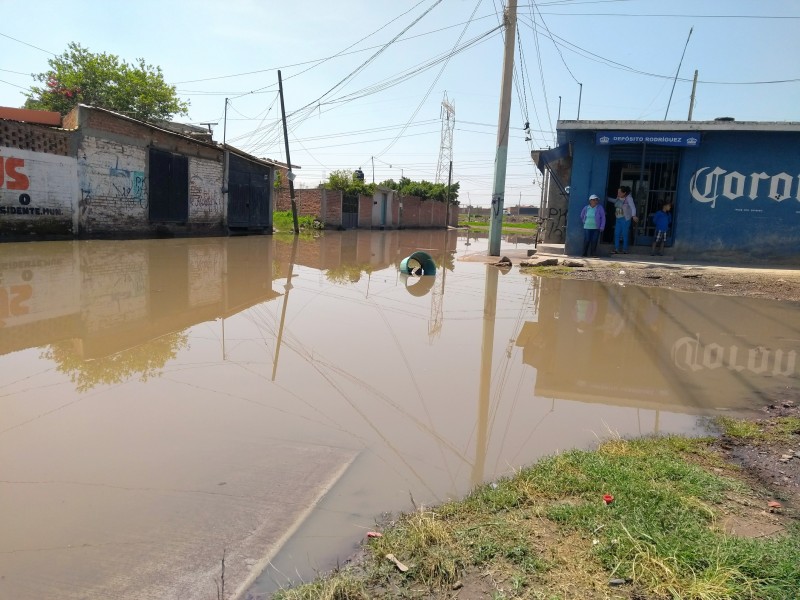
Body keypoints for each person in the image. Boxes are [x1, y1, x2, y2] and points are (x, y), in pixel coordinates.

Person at [607, 185, 638, 254]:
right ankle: (616, 249)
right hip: (618, 218)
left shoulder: (629, 198)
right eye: (618, 192)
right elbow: (615, 201)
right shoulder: (619, 197)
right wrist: (607, 198)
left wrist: (633, 216)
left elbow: (633, 207)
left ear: (624, 193)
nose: (618, 194)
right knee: (617, 233)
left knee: (624, 234)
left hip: (625, 219)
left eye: (620, 192)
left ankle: (625, 249)